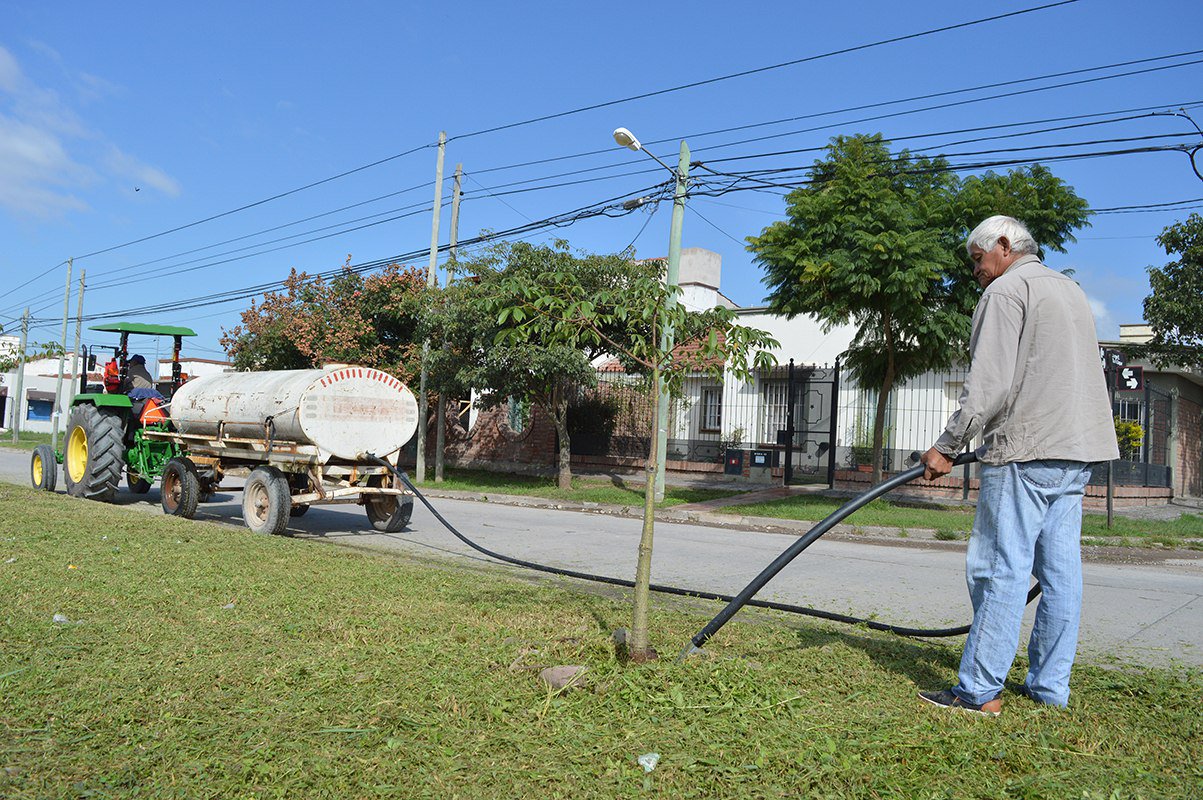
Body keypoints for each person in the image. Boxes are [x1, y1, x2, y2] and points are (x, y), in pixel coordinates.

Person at [918, 215, 1118, 716]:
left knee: (998, 568)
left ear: (1004, 247)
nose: (977, 272)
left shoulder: (1007, 292)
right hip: (1077, 452)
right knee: (1061, 575)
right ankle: (1050, 689)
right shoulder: (1070, 290)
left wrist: (946, 444)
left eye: (979, 259)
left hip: (1025, 451)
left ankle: (978, 691)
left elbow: (990, 384)